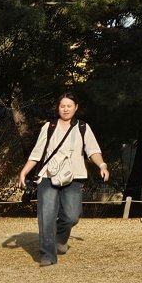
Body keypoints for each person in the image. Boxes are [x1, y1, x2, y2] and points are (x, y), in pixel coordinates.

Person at [17, 93, 110, 268]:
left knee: (72, 215)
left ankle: (60, 239)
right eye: (62, 106)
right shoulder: (49, 127)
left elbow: (93, 150)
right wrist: (24, 172)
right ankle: (47, 255)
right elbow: (37, 153)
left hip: (74, 176)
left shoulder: (83, 127)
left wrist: (102, 165)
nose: (66, 109)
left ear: (76, 107)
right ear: (58, 108)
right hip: (48, 175)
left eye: (69, 106)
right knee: (46, 214)